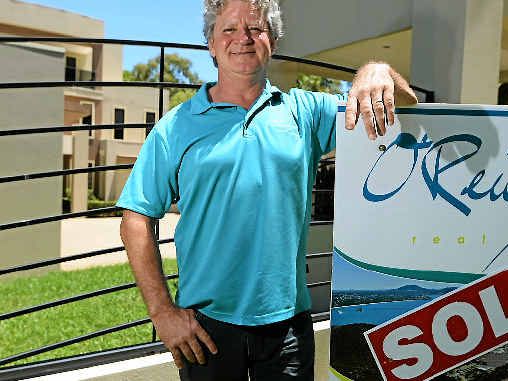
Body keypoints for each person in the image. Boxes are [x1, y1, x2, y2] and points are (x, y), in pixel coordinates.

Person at [117, 0, 418, 380]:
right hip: (205, 328)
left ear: (272, 40)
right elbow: (135, 219)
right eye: (228, 29)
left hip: (287, 328)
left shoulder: (305, 112)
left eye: (255, 28)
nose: (242, 38)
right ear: (210, 43)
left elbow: (408, 107)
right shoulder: (175, 127)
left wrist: (379, 71)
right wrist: (163, 314)